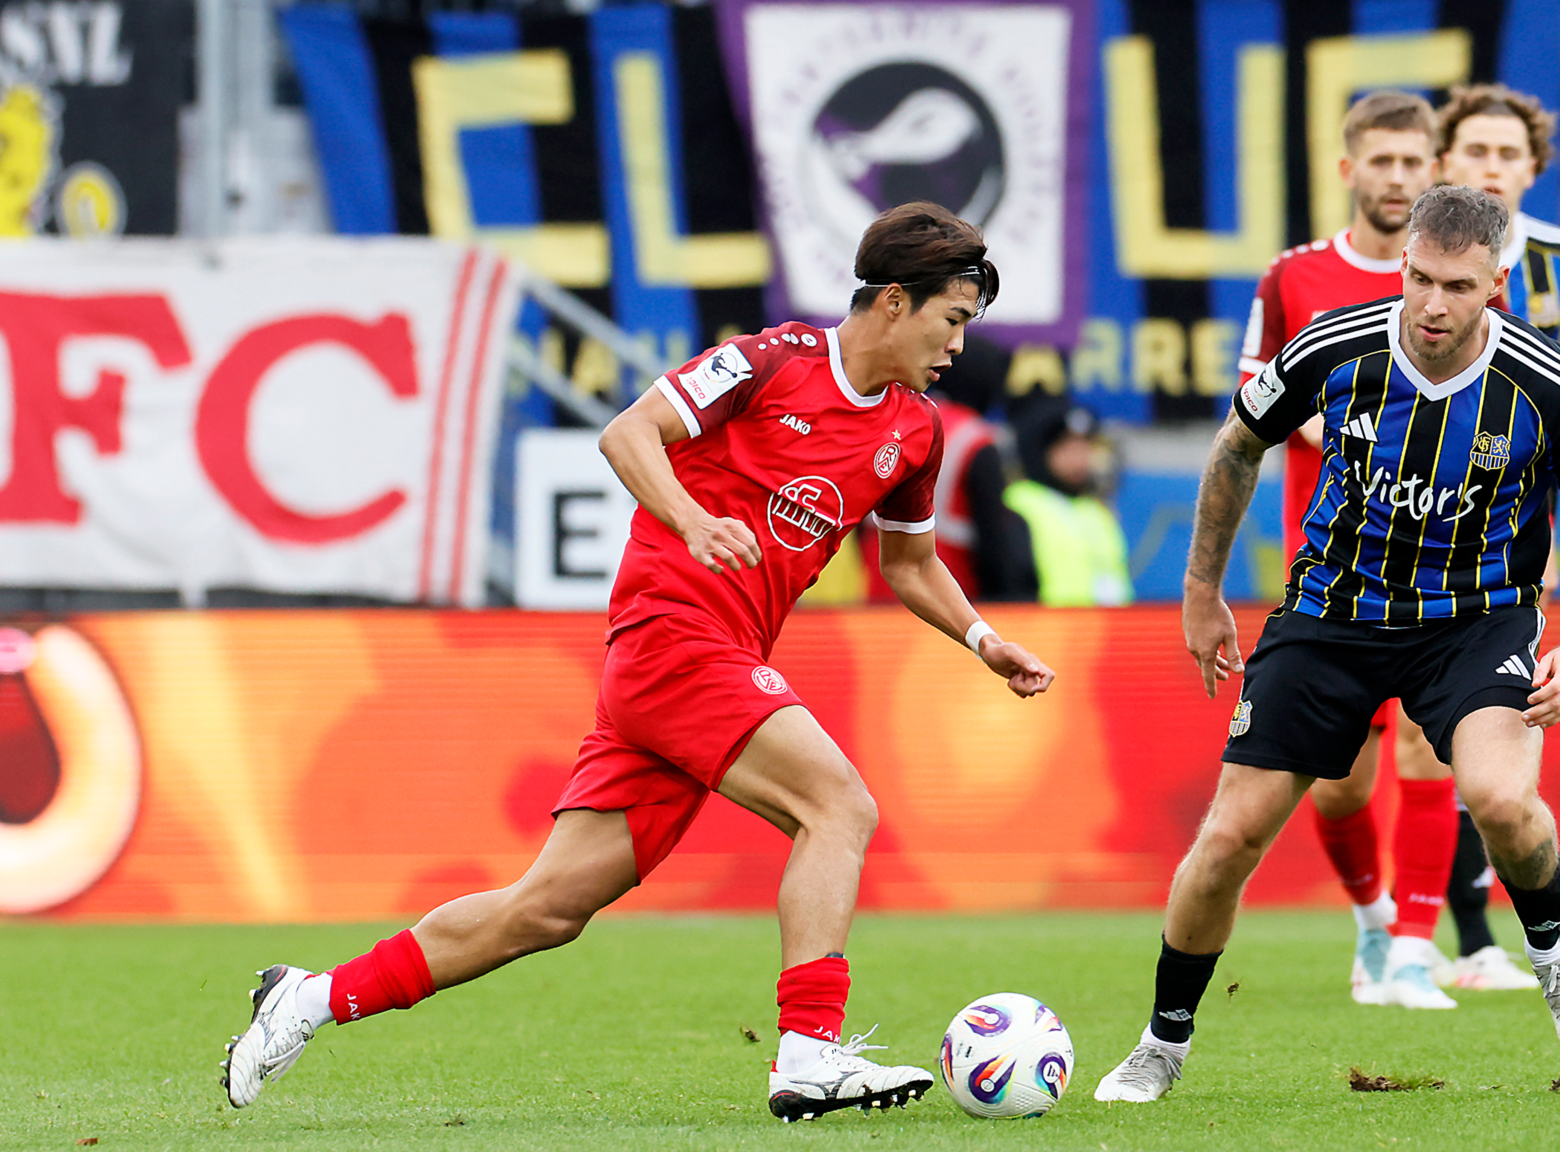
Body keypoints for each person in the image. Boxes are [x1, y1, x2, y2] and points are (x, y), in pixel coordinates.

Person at [218, 202, 1056, 1123]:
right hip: (672, 635)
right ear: (894, 301)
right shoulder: (771, 360)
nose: (959, 345)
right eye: (953, 320)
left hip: (703, 664)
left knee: (544, 910)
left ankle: (306, 998)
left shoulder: (914, 432)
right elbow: (629, 432)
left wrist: (982, 640)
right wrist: (693, 521)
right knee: (838, 805)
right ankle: (809, 1051)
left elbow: (909, 562)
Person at [1094, 186, 1560, 1103]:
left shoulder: (1552, 386)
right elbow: (1237, 447)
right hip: (1331, 617)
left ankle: (1552, 956)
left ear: (1496, 283)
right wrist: (1201, 591)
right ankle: (1162, 1039)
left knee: (1501, 800)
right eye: (1419, 279)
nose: (1433, 306)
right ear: (1404, 266)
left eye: (1458, 287)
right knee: (1229, 836)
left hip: (1475, 621)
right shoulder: (1330, 347)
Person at [1236, 90, 1469, 1009]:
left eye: (1415, 163)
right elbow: (1256, 413)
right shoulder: (1292, 280)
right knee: (1336, 789)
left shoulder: (1458, 277)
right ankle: (1374, 923)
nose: (1399, 178)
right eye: (1383, 162)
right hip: (1334, 572)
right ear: (1349, 170)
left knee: (1427, 753)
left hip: (1446, 566)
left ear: (1432, 170)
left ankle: (1416, 948)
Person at [1432, 83, 1560, 984]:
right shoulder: (1423, 260)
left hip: (1530, 528)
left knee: (1488, 729)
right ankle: (1426, 931)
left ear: (1534, 168)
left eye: (1508, 154)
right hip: (1415, 526)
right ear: (1446, 163)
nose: (1491, 166)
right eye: (1475, 150)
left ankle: (1471, 930)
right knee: (1403, 743)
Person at [859, 338, 1038, 602]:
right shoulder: (976, 441)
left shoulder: (895, 423)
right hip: (946, 608)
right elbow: (994, 547)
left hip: (876, 603)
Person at [1005, 400, 1133, 607]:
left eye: (1085, 447)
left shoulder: (1096, 510)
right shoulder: (1019, 504)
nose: (1080, 460)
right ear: (1039, 452)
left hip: (1107, 633)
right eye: (1066, 449)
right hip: (1047, 632)